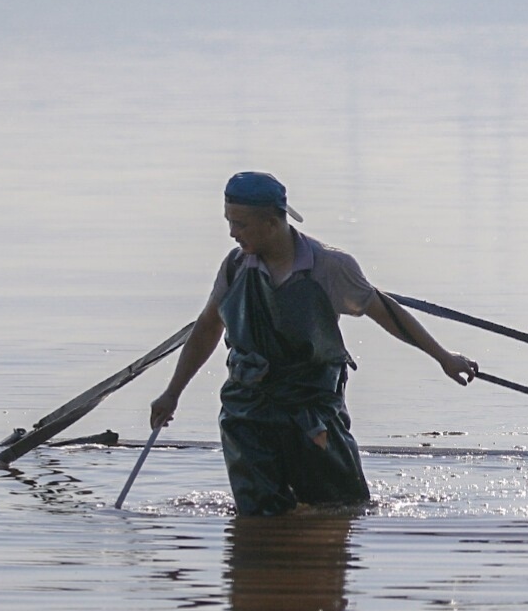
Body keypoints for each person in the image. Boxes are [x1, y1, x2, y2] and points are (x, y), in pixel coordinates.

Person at [148, 171, 477, 516]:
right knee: (258, 515)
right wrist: (172, 392)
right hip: (246, 411)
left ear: (274, 223)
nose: (232, 233)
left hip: (312, 411)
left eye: (241, 224)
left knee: (342, 507)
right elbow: (207, 328)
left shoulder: (329, 266)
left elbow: (386, 313)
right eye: (229, 222)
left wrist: (443, 357)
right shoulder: (235, 267)